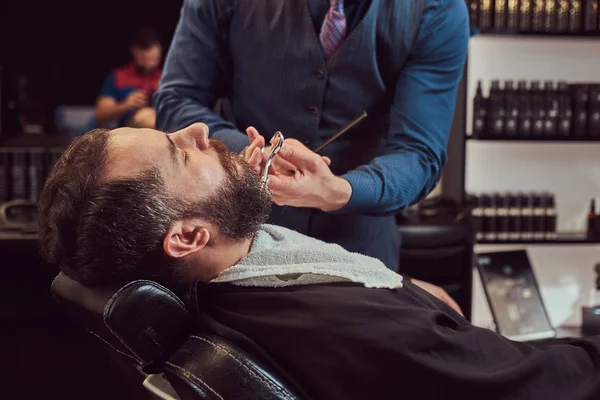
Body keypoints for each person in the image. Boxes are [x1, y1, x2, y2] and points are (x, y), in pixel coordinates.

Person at [40, 124, 600, 399]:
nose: (202, 130)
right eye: (182, 153)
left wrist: (411, 298)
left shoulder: (219, 287)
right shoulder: (353, 326)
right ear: (188, 236)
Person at [153, 0, 470, 272]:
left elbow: (419, 152)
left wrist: (340, 191)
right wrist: (246, 151)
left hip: (359, 252)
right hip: (235, 241)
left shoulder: (437, 9)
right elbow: (178, 100)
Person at [95, 28, 163, 129]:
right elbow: (100, 114)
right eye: (144, 59)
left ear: (159, 52)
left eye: (152, 58)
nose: (148, 63)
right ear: (134, 51)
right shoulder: (118, 77)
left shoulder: (166, 78)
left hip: (160, 129)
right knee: (146, 117)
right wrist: (126, 105)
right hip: (128, 130)